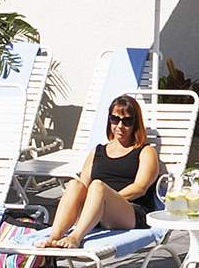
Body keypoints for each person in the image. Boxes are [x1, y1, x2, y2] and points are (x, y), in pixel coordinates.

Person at [48, 92, 162, 251]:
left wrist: (104, 199)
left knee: (97, 186)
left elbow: (140, 188)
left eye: (127, 121)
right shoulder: (97, 151)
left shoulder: (145, 151)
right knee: (74, 184)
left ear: (135, 123)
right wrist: (95, 203)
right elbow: (83, 185)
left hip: (131, 211)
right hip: (99, 212)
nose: (120, 126)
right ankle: (54, 236)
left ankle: (75, 237)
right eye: (115, 119)